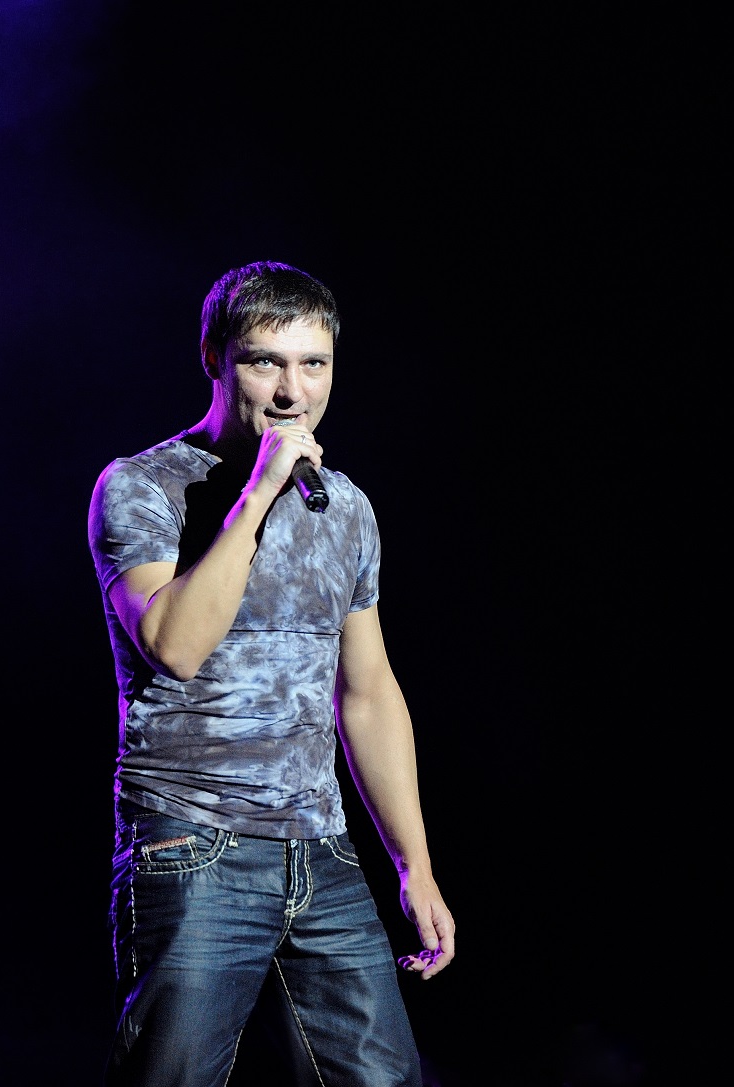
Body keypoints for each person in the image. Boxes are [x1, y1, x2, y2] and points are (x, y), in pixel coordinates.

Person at [87, 260, 455, 1086]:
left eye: (313, 364)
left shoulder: (345, 506)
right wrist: (256, 496)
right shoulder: (143, 486)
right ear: (214, 359)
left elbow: (367, 692)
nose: (293, 391)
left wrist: (414, 864)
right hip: (193, 842)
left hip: (321, 850)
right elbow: (175, 645)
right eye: (265, 362)